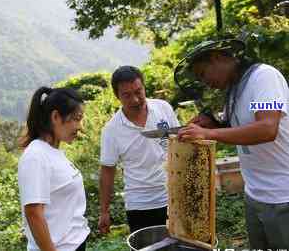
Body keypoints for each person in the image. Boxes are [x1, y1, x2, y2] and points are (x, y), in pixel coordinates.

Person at [176, 39, 289, 248]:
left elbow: (267, 128)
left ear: (218, 58)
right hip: (255, 194)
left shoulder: (263, 78)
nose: (205, 82)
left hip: (282, 195)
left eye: (203, 74)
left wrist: (210, 132)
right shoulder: (235, 91)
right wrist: (210, 122)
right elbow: (236, 125)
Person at [98, 66, 180, 235]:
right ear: (117, 96)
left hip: (174, 196)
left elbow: (179, 144)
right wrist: (104, 211)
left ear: (144, 87)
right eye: (127, 95)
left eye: (138, 91)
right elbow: (107, 170)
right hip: (140, 205)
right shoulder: (112, 130)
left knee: (183, 245)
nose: (135, 100)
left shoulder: (163, 108)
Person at [18, 87, 90, 251]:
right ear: (56, 117)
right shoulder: (36, 156)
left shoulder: (54, 152)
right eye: (77, 119)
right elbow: (34, 213)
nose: (80, 127)